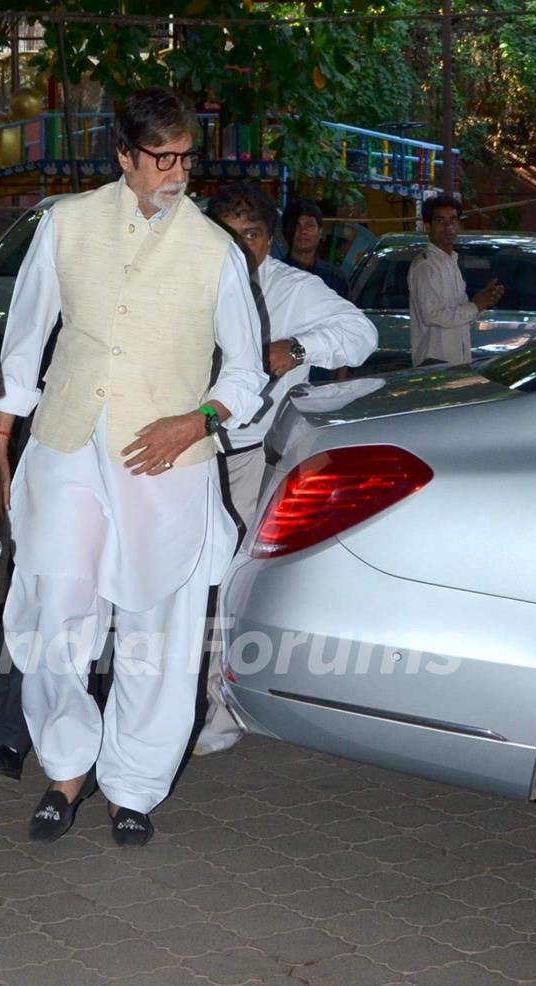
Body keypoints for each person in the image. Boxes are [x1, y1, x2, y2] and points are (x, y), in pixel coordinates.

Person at [0, 86, 266, 847]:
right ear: (124, 154)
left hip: (164, 463)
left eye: (186, 157)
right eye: (162, 157)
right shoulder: (66, 223)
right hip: (69, 442)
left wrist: (198, 418)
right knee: (54, 609)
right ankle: (66, 768)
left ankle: (134, 786)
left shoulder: (214, 249)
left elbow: (245, 371)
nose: (177, 172)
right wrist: (6, 424)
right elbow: (27, 331)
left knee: (158, 627)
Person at [194, 181, 378, 755]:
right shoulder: (190, 279)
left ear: (269, 239)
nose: (239, 247)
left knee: (227, 587)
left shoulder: (293, 288)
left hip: (247, 455)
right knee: (177, 585)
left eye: (250, 235)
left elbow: (361, 334)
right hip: (182, 453)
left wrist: (294, 349)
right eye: (226, 234)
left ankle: (222, 709)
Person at [408, 194, 504, 367]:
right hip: (435, 362)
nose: (448, 226)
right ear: (427, 226)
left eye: (453, 220)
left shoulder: (451, 261)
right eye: (440, 221)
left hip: (456, 360)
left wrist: (482, 300)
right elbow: (433, 315)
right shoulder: (426, 266)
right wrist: (476, 305)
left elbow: (457, 311)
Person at [281, 197, 350, 298]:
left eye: (309, 225)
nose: (303, 231)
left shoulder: (335, 279)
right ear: (287, 231)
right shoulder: (276, 275)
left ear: (320, 232)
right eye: (297, 225)